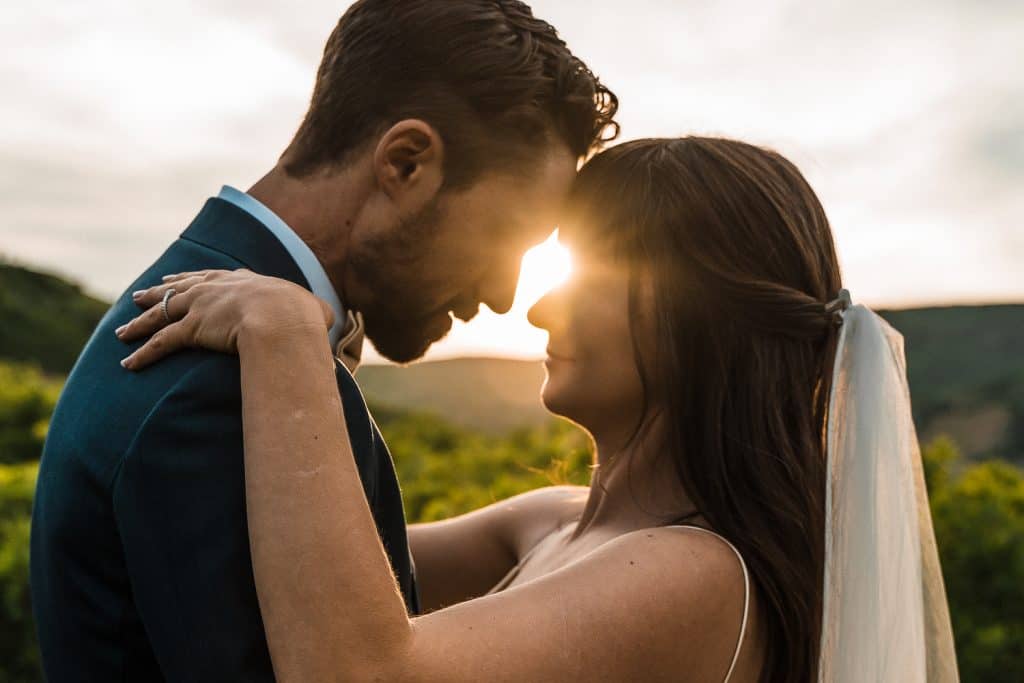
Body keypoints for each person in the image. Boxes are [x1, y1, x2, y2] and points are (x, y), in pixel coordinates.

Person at [117, 137, 960, 681]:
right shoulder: (554, 524)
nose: (541, 312)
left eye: (588, 278)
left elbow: (356, 669)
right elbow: (302, 570)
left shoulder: (702, 573)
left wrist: (285, 337)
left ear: (691, 315)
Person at [29, 1, 617, 680]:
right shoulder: (220, 386)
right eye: (503, 239)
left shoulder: (215, 312)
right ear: (404, 162)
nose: (504, 297)